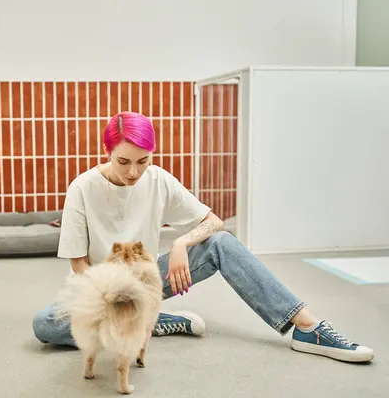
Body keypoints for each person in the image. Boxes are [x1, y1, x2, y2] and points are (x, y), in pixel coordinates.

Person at [32, 111, 374, 363]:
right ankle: (152, 318)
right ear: (107, 151)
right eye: (124, 161)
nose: (133, 172)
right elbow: (80, 265)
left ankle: (306, 327)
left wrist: (182, 242)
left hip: (146, 282)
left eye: (143, 161)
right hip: (100, 292)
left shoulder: (159, 180)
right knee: (45, 324)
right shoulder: (82, 188)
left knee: (221, 244)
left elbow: (214, 222)